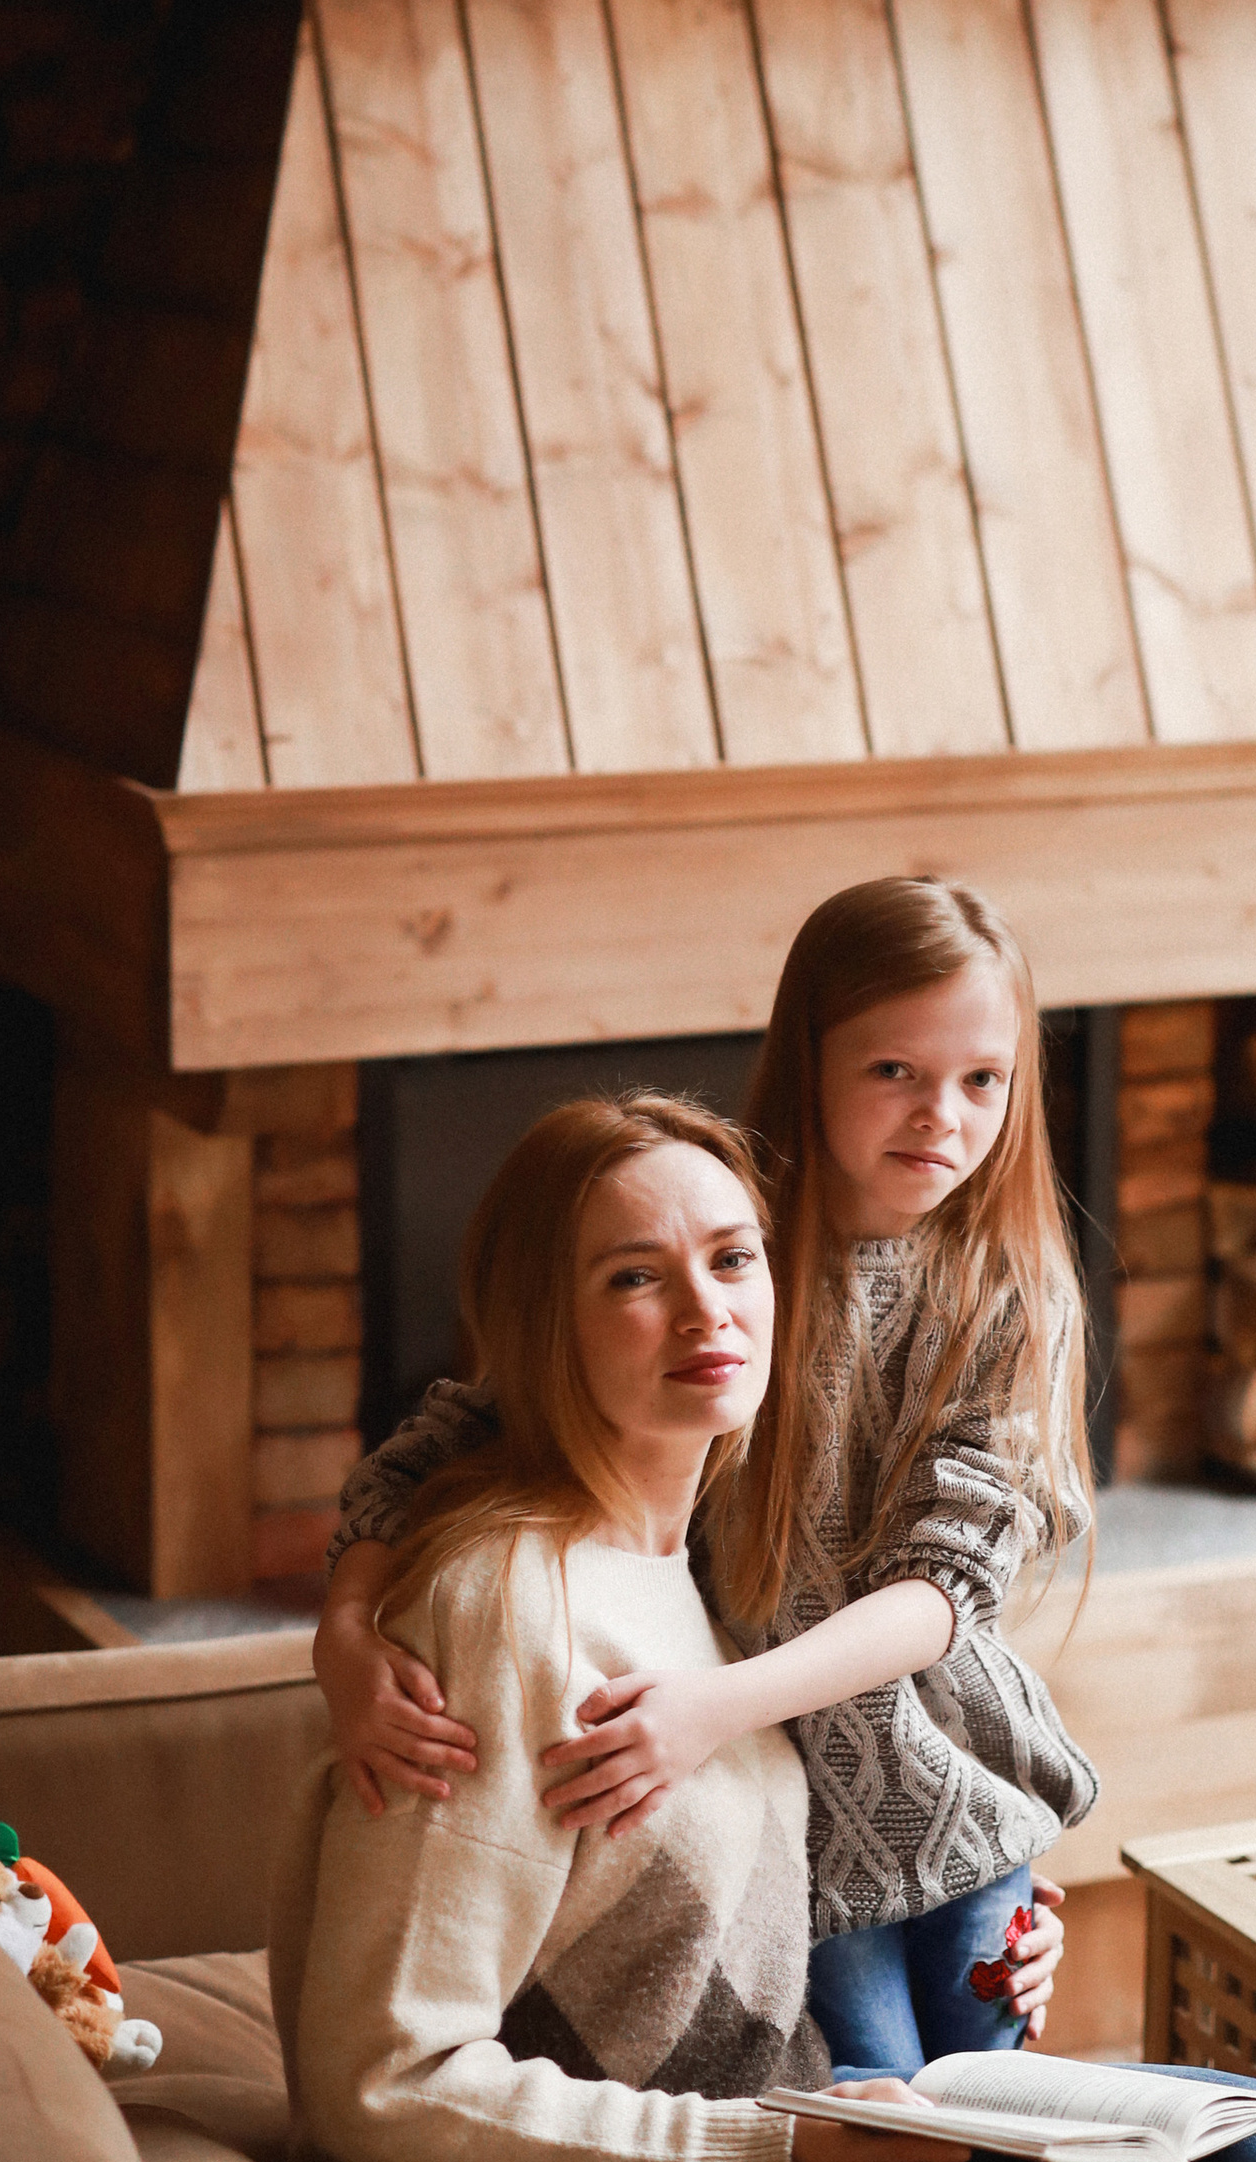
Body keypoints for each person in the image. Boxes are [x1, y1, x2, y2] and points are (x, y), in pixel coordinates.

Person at [272, 1089, 1256, 2162]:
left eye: (734, 1257)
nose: (706, 1307)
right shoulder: (503, 1606)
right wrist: (779, 2157)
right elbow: (383, 2073)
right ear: (541, 1323)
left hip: (761, 2138)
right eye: (633, 1276)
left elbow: (724, 1872)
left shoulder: (696, 1547)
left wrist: (998, 1907)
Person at [312, 878, 1105, 2070]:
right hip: (781, 1814)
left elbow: (947, 1596)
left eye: (981, 1080)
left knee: (1006, 2124)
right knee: (876, 2105)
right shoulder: (724, 1248)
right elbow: (449, 1438)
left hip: (946, 1795)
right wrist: (341, 1630)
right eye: (894, 1071)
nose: (941, 1117)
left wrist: (714, 1709)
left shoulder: (1009, 1292)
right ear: (809, 1058)